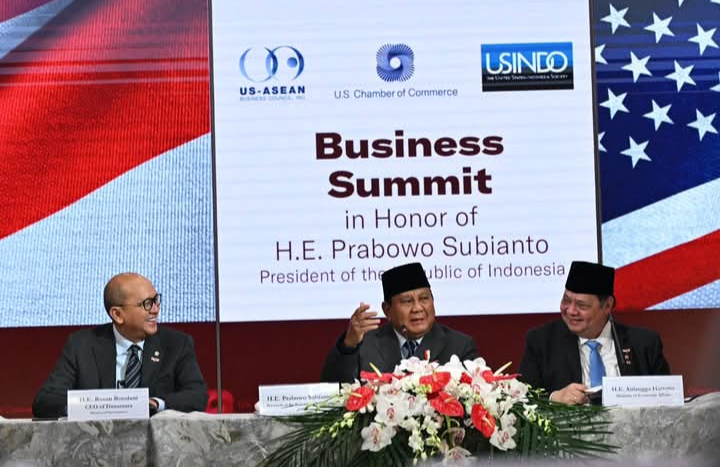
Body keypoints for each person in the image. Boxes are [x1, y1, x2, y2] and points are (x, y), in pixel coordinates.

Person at [32, 273, 208, 418]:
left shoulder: (176, 344)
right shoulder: (81, 345)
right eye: (147, 304)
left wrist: (154, 404)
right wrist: (93, 406)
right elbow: (45, 401)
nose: (155, 309)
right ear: (117, 314)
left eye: (156, 300)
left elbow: (197, 395)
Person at [518, 261, 670, 405]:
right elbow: (522, 399)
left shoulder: (644, 344)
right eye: (566, 301)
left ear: (607, 306)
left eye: (581, 305)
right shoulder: (542, 341)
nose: (571, 311)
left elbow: (667, 400)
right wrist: (554, 398)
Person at [321, 262, 479, 383]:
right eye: (407, 301)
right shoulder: (365, 345)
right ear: (387, 310)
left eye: (424, 298)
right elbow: (333, 389)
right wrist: (348, 347)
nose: (418, 308)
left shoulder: (459, 346)